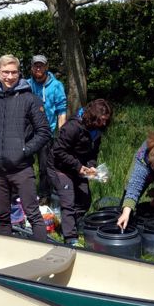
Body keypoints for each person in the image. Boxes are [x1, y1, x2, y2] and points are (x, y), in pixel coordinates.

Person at [0, 54, 51, 241]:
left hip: (21, 168)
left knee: (33, 215)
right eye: (5, 72)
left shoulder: (30, 99)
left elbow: (44, 132)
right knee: (2, 216)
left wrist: (24, 151)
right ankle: (7, 256)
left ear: (19, 73)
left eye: (13, 72)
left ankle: (41, 258)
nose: (10, 77)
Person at [52, 99, 113, 246]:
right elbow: (58, 150)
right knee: (68, 200)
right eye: (101, 120)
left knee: (85, 200)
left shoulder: (96, 132)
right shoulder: (72, 127)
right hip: (60, 168)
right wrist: (77, 166)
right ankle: (70, 238)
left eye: (106, 121)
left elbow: (93, 153)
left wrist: (91, 166)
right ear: (93, 116)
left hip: (78, 169)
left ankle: (68, 224)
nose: (104, 124)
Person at [27, 54, 67, 204]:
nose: (38, 68)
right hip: (29, 132)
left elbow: (61, 111)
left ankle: (45, 196)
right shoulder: (26, 84)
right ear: (31, 68)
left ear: (46, 67)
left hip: (46, 133)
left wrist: (61, 135)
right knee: (25, 166)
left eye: (41, 65)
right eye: (35, 65)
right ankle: (27, 195)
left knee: (45, 167)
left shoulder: (56, 86)